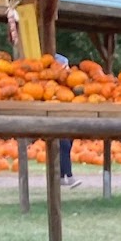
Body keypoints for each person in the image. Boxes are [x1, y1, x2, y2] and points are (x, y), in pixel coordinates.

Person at [54, 53, 80, 188]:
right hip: (56, 120)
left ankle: (61, 176)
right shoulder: (51, 85)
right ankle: (69, 176)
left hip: (66, 118)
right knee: (64, 145)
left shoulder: (70, 85)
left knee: (66, 145)